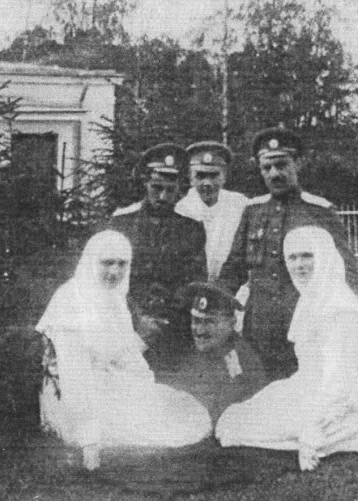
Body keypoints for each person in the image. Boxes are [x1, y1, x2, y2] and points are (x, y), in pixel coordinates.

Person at [36, 230, 212, 471]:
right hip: (72, 394)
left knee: (176, 415)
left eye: (122, 264)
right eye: (107, 263)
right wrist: (90, 441)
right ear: (91, 261)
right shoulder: (70, 300)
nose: (115, 272)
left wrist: (145, 390)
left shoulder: (114, 298)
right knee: (148, 432)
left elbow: (127, 354)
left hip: (109, 381)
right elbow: (75, 376)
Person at [215, 226, 358, 471]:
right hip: (312, 389)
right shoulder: (315, 298)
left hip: (345, 406)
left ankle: (323, 434)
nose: (299, 265)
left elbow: (339, 384)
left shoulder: (341, 312)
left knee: (237, 428)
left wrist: (314, 432)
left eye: (307, 256)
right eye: (292, 258)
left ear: (323, 257)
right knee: (233, 418)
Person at [218, 127, 358, 381]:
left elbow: (346, 273)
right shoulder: (253, 211)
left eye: (281, 165)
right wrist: (215, 307)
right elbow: (233, 268)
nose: (274, 174)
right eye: (266, 168)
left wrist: (342, 324)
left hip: (307, 327)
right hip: (259, 330)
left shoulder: (319, 211)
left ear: (298, 164)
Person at [106, 143, 208, 372]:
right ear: (145, 183)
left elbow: (195, 282)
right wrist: (138, 318)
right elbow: (108, 281)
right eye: (156, 187)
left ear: (180, 190)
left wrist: (164, 318)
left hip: (173, 331)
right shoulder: (120, 224)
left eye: (170, 190)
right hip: (126, 324)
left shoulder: (192, 229)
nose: (162, 196)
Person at [164, 281, 267, 423]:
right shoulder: (200, 350)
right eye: (196, 321)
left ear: (232, 323)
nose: (199, 331)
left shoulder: (239, 362)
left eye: (210, 323)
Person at [175, 141, 249, 281]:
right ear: (190, 178)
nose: (207, 183)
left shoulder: (239, 204)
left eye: (213, 175)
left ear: (224, 177)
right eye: (200, 176)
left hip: (232, 285)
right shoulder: (181, 209)